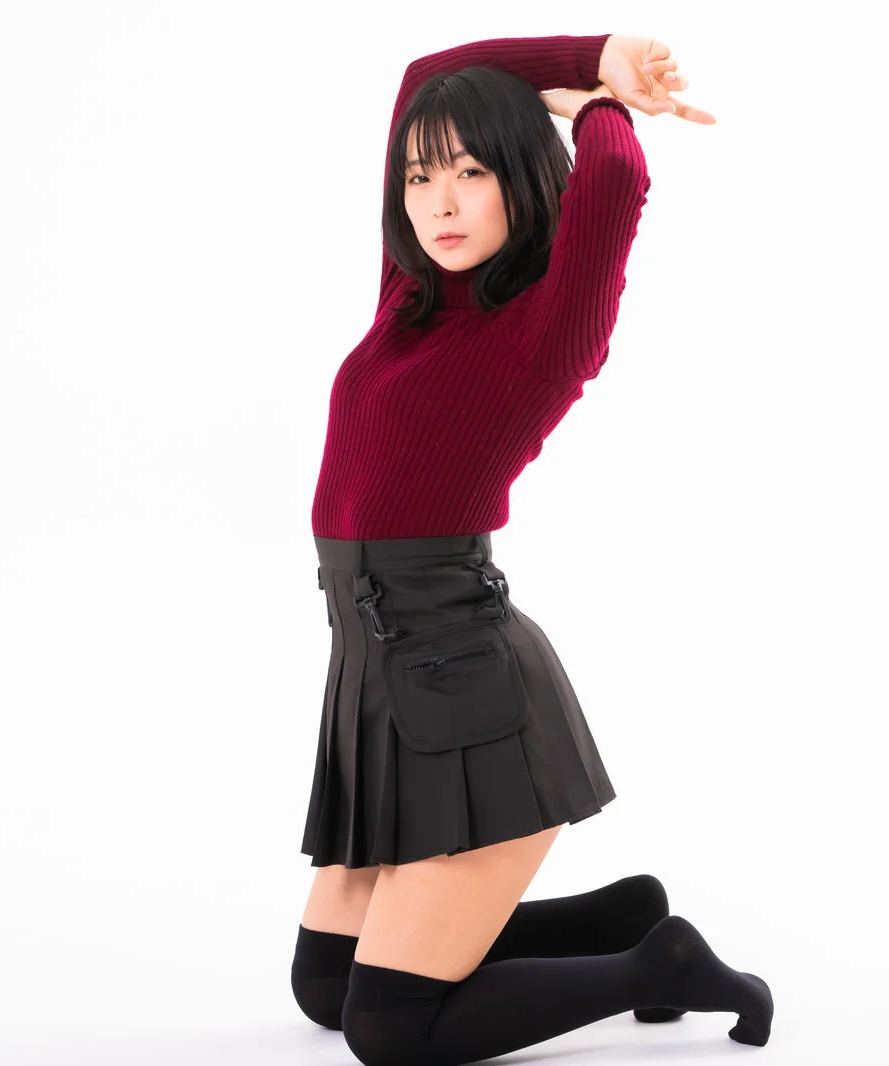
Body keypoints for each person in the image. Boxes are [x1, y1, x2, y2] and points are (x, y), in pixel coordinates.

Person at [291, 33, 773, 1064]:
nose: (441, 202)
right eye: (421, 176)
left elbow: (616, 178)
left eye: (471, 172)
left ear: (522, 178)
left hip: (465, 686)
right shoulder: (408, 298)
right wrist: (590, 49)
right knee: (325, 986)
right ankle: (619, 919)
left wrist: (599, 96)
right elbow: (426, 80)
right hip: (373, 676)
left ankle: (660, 966)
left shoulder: (547, 326)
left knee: (388, 1029)